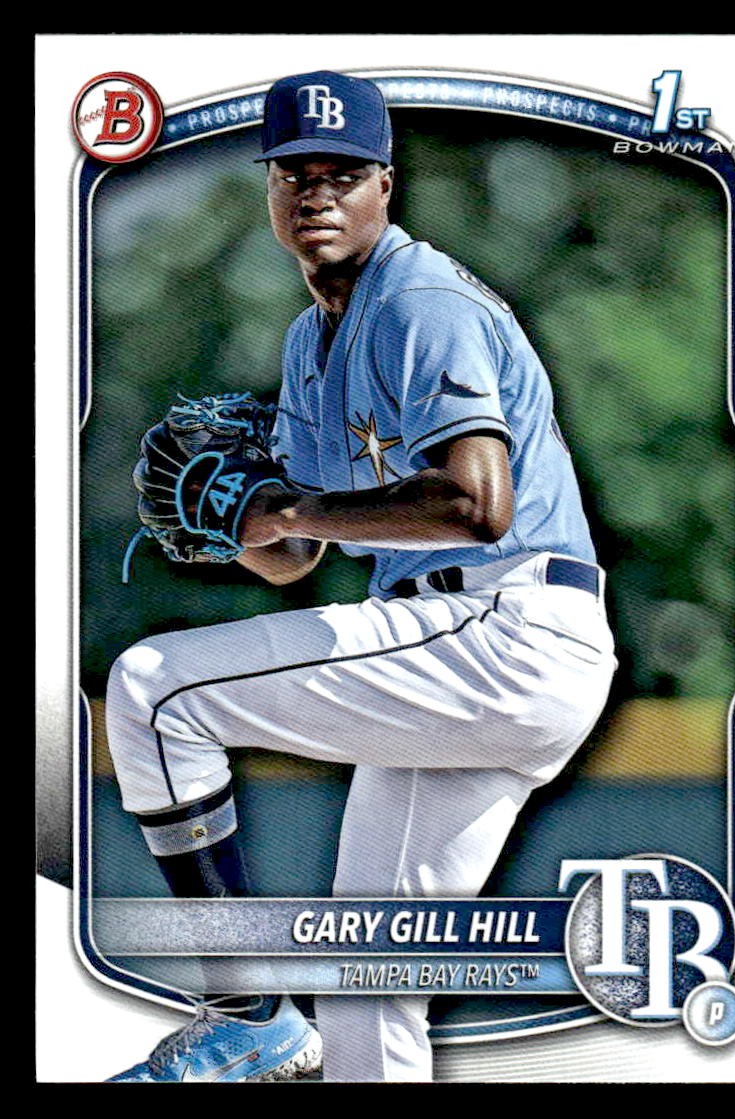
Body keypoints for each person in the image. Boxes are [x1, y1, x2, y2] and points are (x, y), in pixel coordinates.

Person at [105, 70, 617, 1083]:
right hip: (463, 659)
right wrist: (229, 521)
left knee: (153, 690)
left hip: (506, 627)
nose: (317, 194)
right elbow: (294, 557)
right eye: (295, 173)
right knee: (366, 990)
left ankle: (246, 1008)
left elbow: (476, 504)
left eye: (342, 173)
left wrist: (287, 509)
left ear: (386, 184)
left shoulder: (421, 302)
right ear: (271, 190)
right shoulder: (310, 341)